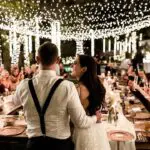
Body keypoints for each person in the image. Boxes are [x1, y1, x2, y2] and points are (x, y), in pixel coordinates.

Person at [12, 42, 101, 150]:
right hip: (60, 146)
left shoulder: (24, 85)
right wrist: (96, 118)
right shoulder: (67, 87)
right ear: (58, 60)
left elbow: (14, 102)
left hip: (34, 145)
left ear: (37, 59)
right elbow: (81, 122)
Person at [71, 55, 111, 150]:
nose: (73, 65)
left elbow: (77, 120)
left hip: (83, 134)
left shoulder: (77, 90)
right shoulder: (98, 86)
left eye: (76, 63)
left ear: (84, 69)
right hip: (98, 132)